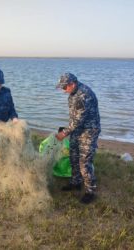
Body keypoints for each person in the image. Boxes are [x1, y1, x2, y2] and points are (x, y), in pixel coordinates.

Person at [55, 72, 101, 204]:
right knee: (73, 157)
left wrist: (64, 133)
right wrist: (67, 129)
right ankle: (76, 182)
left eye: (64, 87)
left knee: (84, 163)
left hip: (89, 132)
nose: (63, 90)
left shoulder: (84, 95)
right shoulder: (72, 94)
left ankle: (90, 191)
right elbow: (74, 118)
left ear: (72, 84)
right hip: (77, 130)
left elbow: (79, 120)